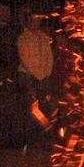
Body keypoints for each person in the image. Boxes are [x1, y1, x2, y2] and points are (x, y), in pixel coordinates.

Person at [17, 13, 55, 147]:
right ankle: (31, 138)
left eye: (38, 21)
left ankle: (43, 136)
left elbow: (49, 56)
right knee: (33, 107)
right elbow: (25, 59)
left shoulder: (43, 37)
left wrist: (46, 73)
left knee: (45, 105)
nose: (36, 23)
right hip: (29, 76)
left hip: (43, 77)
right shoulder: (23, 38)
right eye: (33, 21)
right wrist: (38, 74)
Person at [0, 4, 21, 148]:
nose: (4, 14)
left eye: (6, 11)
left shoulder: (15, 30)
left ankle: (10, 139)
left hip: (11, 72)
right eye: (1, 11)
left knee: (11, 107)